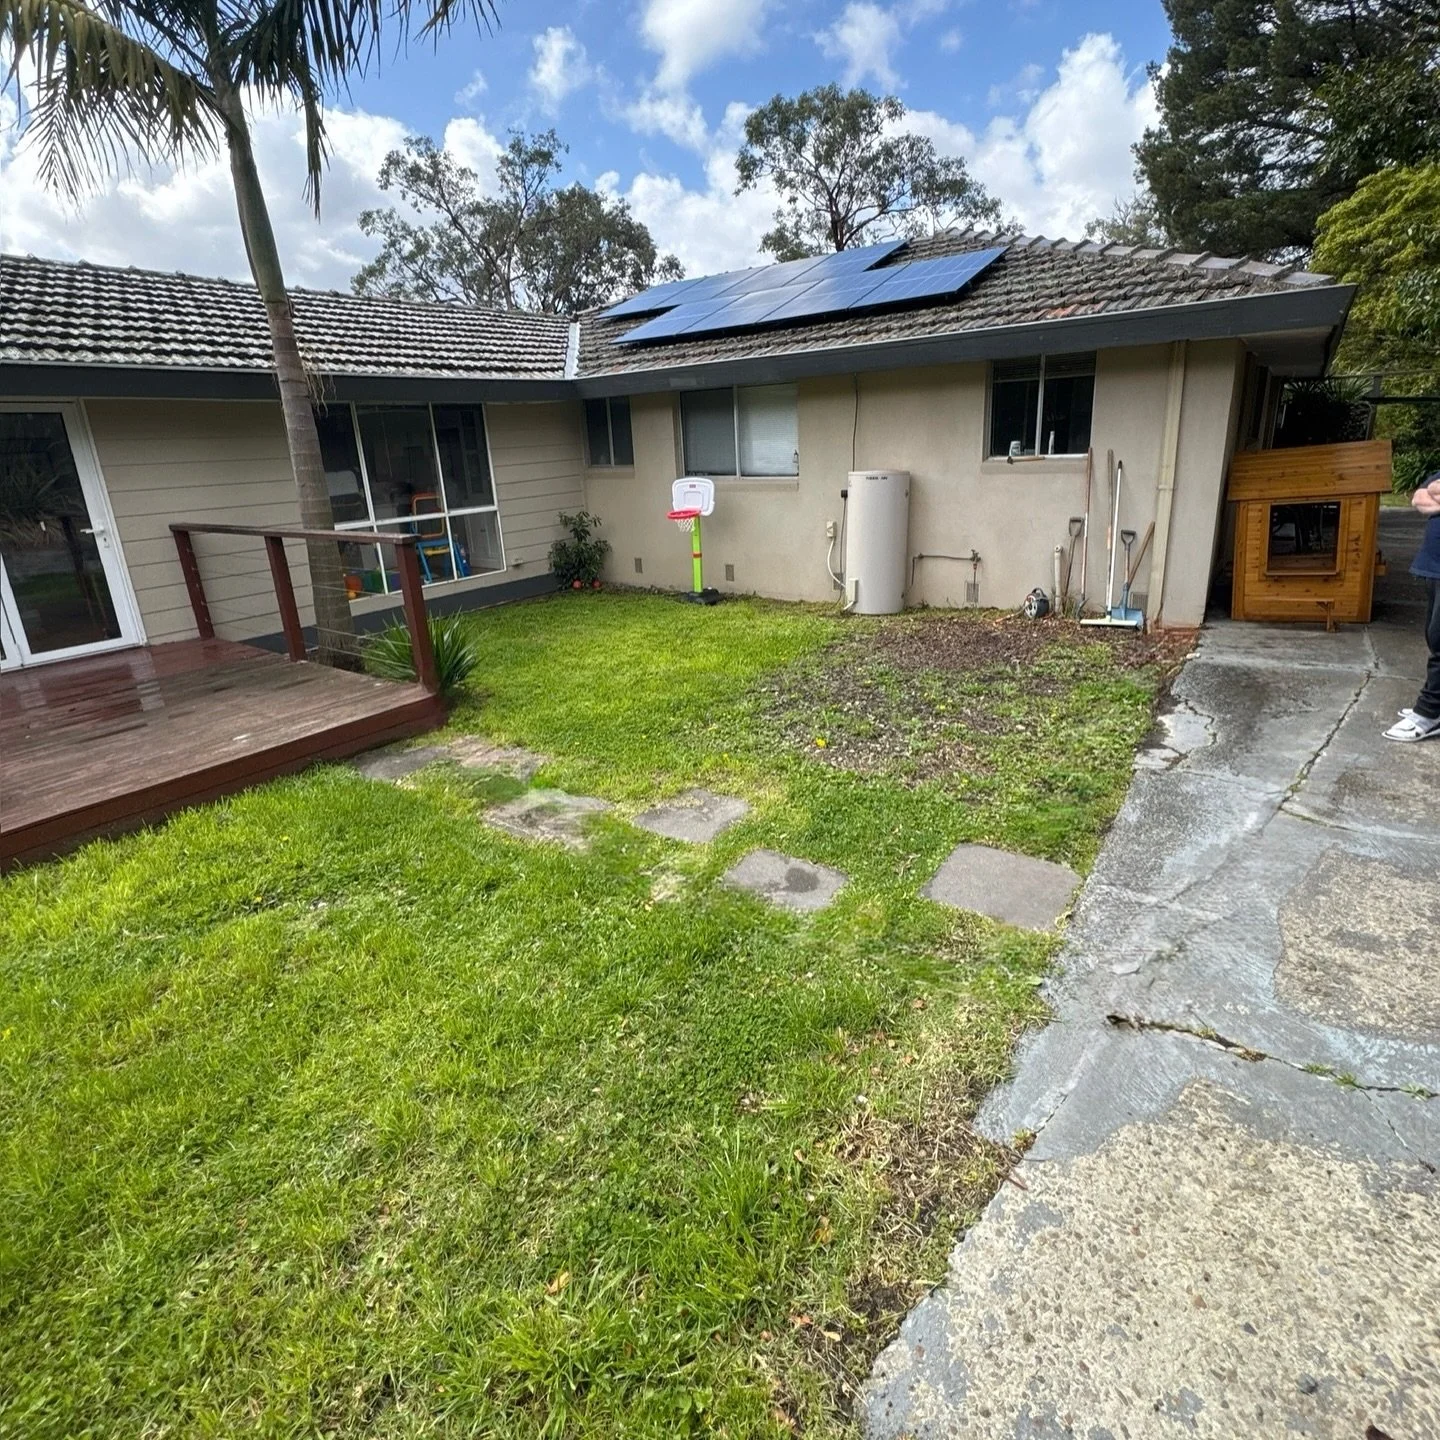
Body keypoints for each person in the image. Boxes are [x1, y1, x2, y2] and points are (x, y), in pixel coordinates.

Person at [1384, 468, 1440, 742]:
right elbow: (1419, 499)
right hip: (1433, 568)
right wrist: (1432, 493)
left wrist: (1436, 496)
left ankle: (1428, 713)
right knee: (1433, 636)